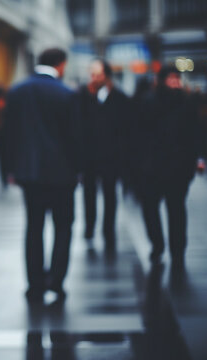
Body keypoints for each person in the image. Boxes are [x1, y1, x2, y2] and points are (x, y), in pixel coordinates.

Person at [3, 48, 79, 302]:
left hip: (30, 174)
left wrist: (10, 169)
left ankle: (34, 283)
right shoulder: (66, 93)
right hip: (62, 174)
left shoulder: (18, 91)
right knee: (63, 227)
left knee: (34, 227)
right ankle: (56, 281)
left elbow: (7, 135)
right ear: (61, 64)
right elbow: (75, 136)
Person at [134, 66, 205, 267]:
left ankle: (177, 248)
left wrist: (198, 158)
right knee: (153, 208)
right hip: (154, 166)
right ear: (162, 80)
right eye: (171, 78)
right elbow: (137, 136)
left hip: (177, 166)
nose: (175, 83)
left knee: (176, 209)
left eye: (177, 78)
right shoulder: (148, 102)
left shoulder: (187, 103)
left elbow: (196, 132)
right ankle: (158, 244)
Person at [78, 60, 131, 252]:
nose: (93, 78)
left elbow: (126, 130)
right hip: (89, 157)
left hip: (111, 157)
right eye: (91, 74)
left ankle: (108, 230)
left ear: (106, 76)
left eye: (97, 74)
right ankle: (90, 226)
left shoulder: (119, 98)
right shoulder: (82, 96)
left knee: (110, 195)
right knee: (88, 194)